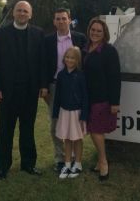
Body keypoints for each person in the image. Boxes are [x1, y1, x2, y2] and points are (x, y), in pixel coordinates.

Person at [0, 0, 48, 180]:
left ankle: (28, 164)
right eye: (19, 10)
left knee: (27, 129)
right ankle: (3, 166)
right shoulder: (0, 34)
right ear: (13, 13)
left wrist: (43, 85)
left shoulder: (38, 34)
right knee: (5, 130)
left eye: (25, 11)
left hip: (30, 92)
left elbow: (42, 63)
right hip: (6, 92)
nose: (22, 14)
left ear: (30, 15)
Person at [44, 8, 87, 172]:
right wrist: (44, 87)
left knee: (75, 122)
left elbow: (85, 63)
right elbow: (42, 64)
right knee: (55, 123)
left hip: (75, 85)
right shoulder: (47, 40)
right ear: (54, 22)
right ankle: (60, 158)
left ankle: (76, 158)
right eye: (58, 19)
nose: (61, 21)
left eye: (64, 18)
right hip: (55, 86)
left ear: (69, 20)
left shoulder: (80, 38)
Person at [83, 18, 121, 181]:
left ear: (104, 33)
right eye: (93, 30)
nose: (95, 33)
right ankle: (100, 161)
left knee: (96, 130)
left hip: (102, 97)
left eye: (99, 31)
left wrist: (114, 102)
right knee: (92, 129)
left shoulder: (109, 51)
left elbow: (115, 78)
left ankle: (103, 162)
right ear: (89, 30)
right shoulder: (84, 48)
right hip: (87, 97)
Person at [52, 46, 88, 179]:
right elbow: (57, 96)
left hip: (76, 113)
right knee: (66, 138)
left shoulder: (81, 75)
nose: (69, 60)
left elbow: (85, 97)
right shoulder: (61, 75)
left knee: (77, 138)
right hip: (64, 112)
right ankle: (67, 164)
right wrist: (55, 113)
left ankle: (77, 164)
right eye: (67, 57)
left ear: (77, 60)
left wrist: (84, 115)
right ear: (64, 58)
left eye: (72, 57)